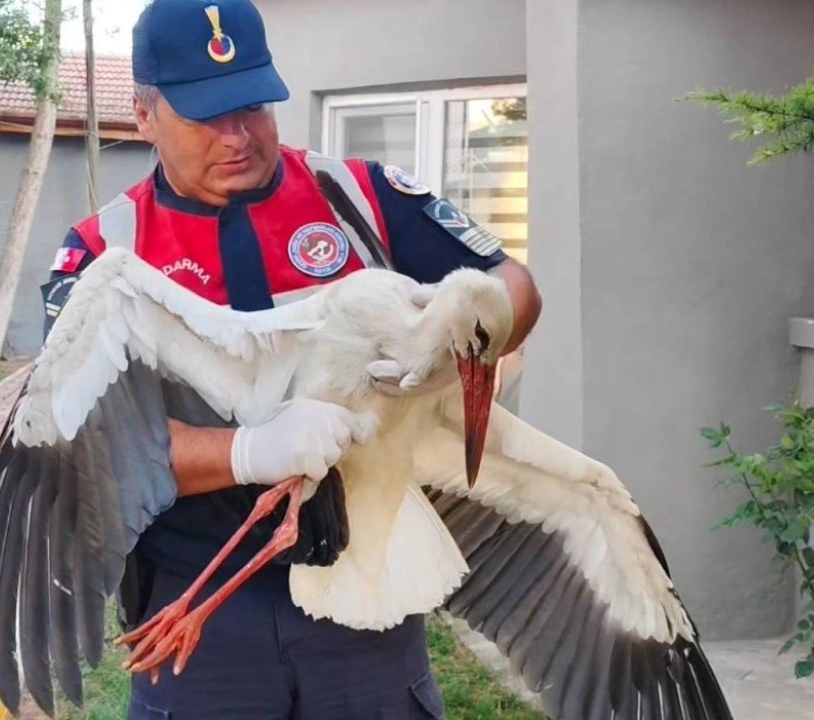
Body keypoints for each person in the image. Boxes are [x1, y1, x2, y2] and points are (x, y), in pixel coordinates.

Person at [40, 0, 542, 717]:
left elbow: (513, 284)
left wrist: (457, 343)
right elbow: (82, 445)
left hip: (362, 600)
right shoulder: (101, 253)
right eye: (206, 114)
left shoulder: (361, 198)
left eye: (253, 105)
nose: (238, 134)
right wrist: (247, 451)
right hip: (202, 611)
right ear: (145, 115)